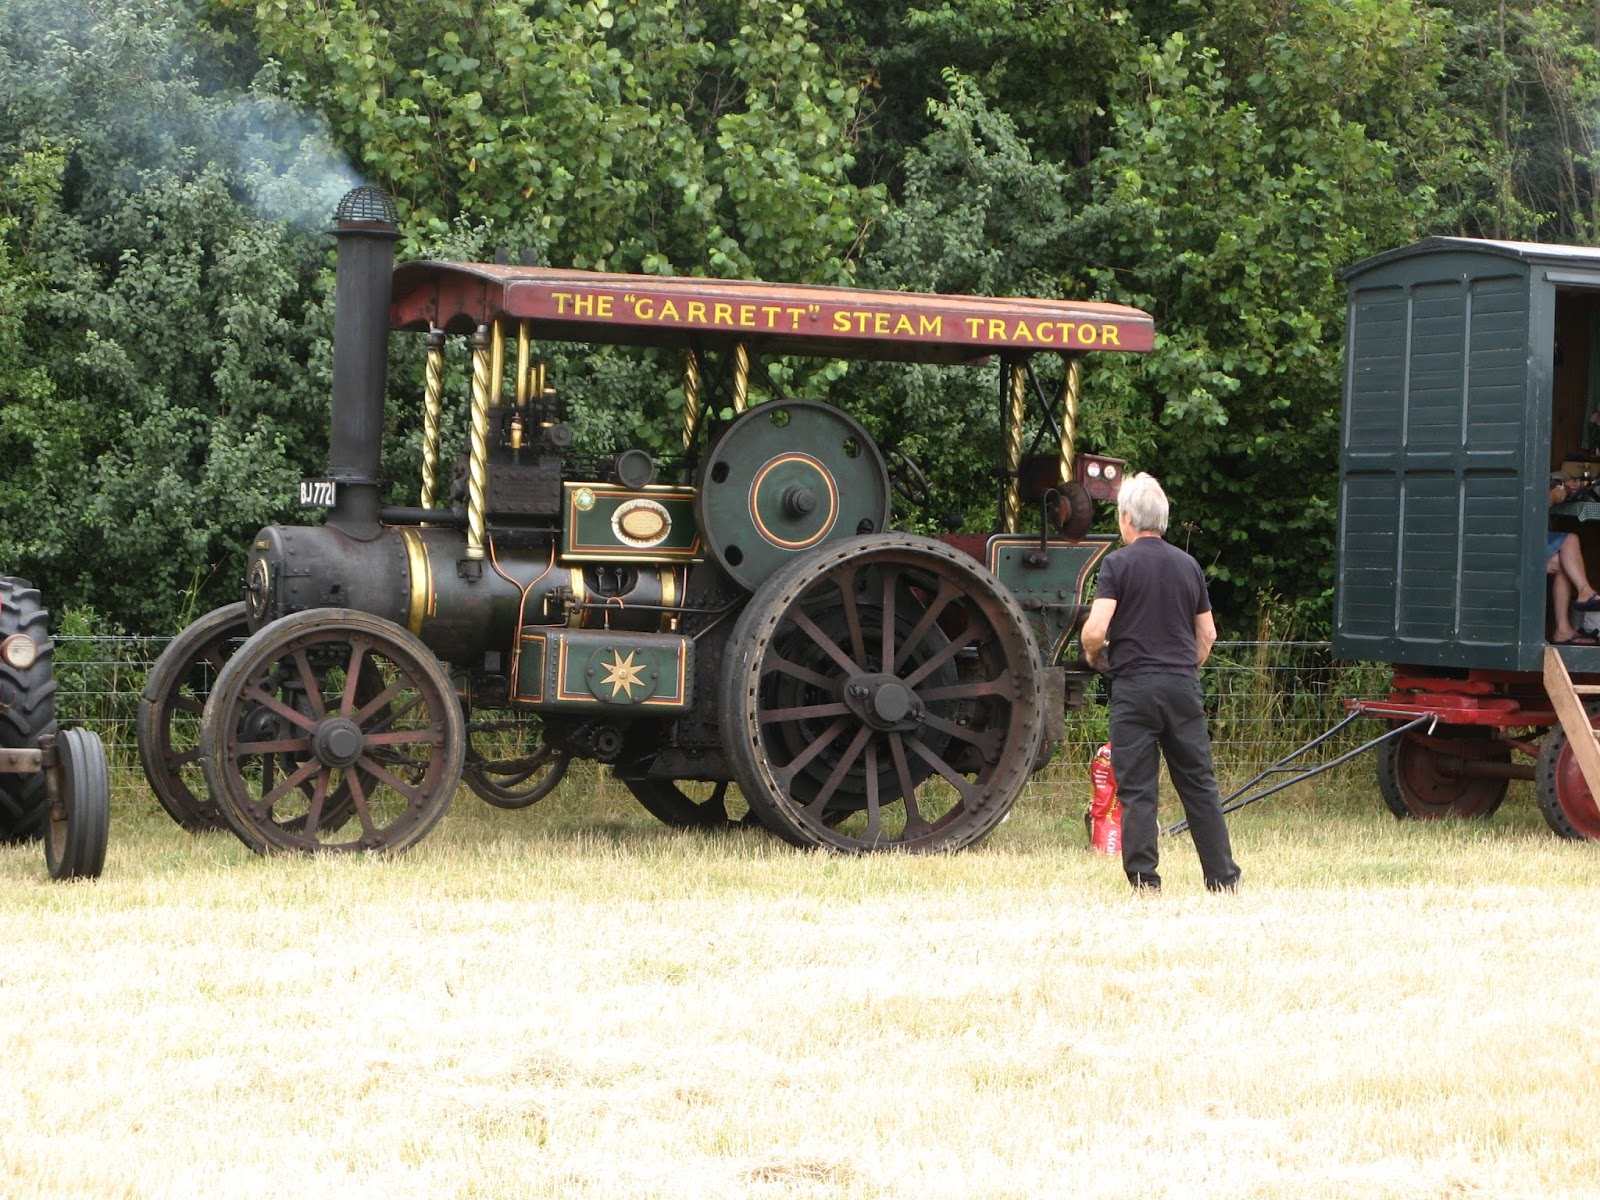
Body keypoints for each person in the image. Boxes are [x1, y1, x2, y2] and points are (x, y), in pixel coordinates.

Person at [1080, 473, 1240, 895]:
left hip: (1134, 688)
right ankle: (1222, 878)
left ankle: (1145, 881)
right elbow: (1207, 635)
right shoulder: (1188, 565)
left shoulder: (1118, 563)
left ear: (1128, 518)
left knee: (1137, 789)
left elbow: (1096, 629)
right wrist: (1187, 666)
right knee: (1199, 784)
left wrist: (1095, 655)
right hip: (1181, 685)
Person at [1547, 475, 1600, 645]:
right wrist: (1551, 497)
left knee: (1565, 563)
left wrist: (1565, 489)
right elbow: (1521, 505)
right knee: (1570, 540)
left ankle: (1563, 630)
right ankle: (1585, 592)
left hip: (1520, 539)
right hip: (1510, 543)